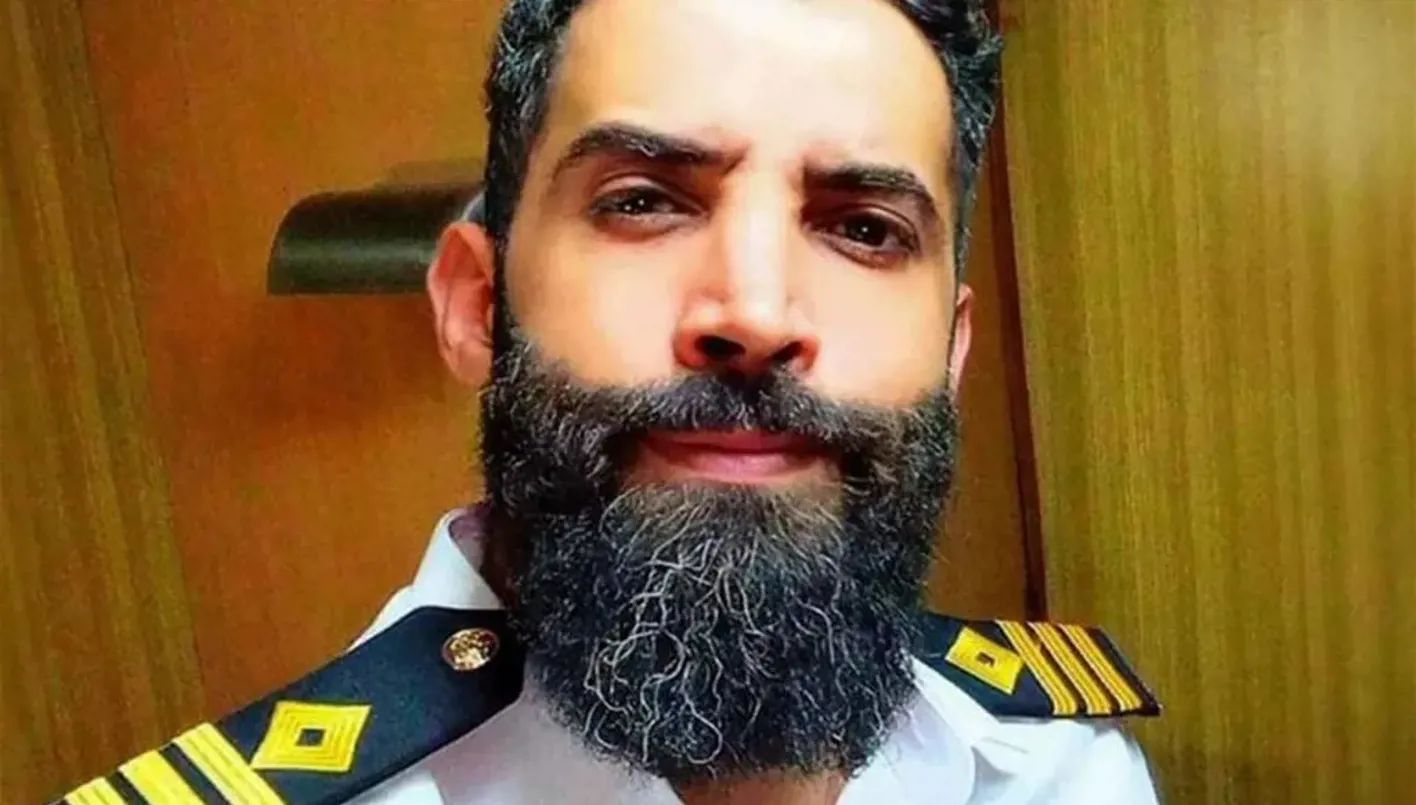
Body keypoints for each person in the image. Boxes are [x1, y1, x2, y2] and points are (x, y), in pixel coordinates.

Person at [54, 1, 1161, 803]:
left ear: (951, 353)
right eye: (643, 202)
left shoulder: (1064, 769)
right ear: (479, 306)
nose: (755, 310)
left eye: (864, 228)